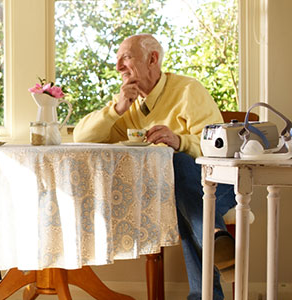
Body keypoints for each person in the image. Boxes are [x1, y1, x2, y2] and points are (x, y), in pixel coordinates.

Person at [73, 33, 236, 300]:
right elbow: (82, 137)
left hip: (217, 183)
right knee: (181, 198)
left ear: (153, 58)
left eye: (125, 58)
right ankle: (214, 242)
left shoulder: (188, 90)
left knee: (178, 163)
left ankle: (206, 284)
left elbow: (219, 147)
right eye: (117, 61)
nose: (118, 68)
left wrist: (179, 140)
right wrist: (117, 108)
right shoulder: (128, 106)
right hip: (179, 194)